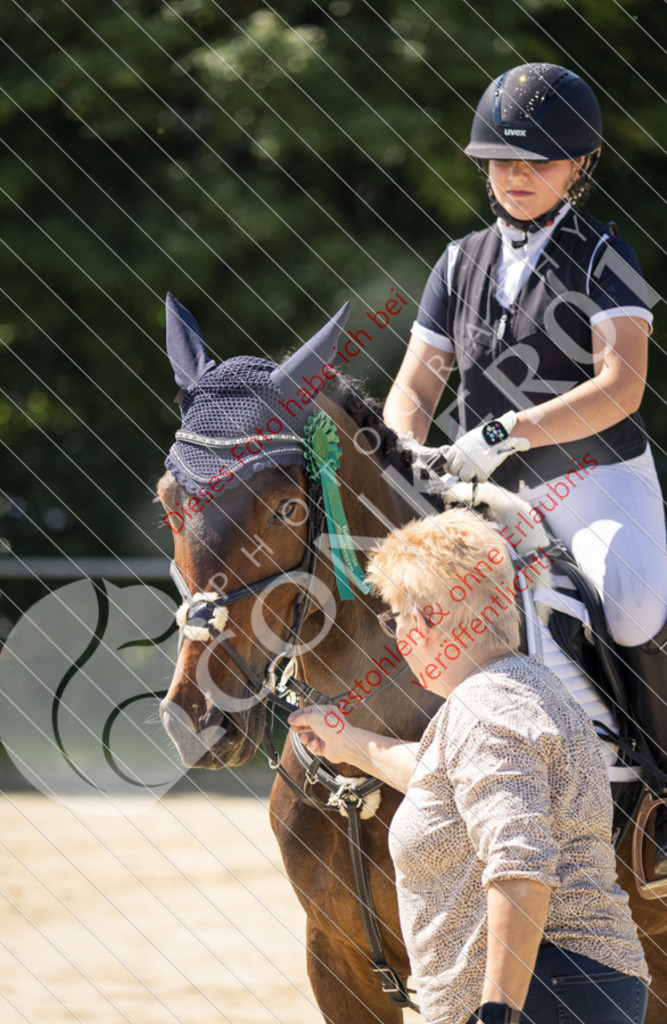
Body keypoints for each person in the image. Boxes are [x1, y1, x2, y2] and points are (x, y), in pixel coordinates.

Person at [382, 62, 667, 873]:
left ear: (579, 165)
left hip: (594, 479)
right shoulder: (457, 260)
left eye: (536, 161)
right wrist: (407, 450)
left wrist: (507, 429)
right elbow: (416, 385)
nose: (513, 175)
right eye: (499, 161)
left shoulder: (606, 254)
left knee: (633, 607)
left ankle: (654, 789)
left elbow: (620, 385)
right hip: (483, 491)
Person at [289, 509, 649, 1024]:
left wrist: (498, 1011)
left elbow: (520, 868)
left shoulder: (484, 709)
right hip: (567, 986)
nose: (396, 635)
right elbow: (444, 781)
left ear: (425, 622)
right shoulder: (519, 685)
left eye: (395, 619)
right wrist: (347, 742)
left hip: (539, 994)